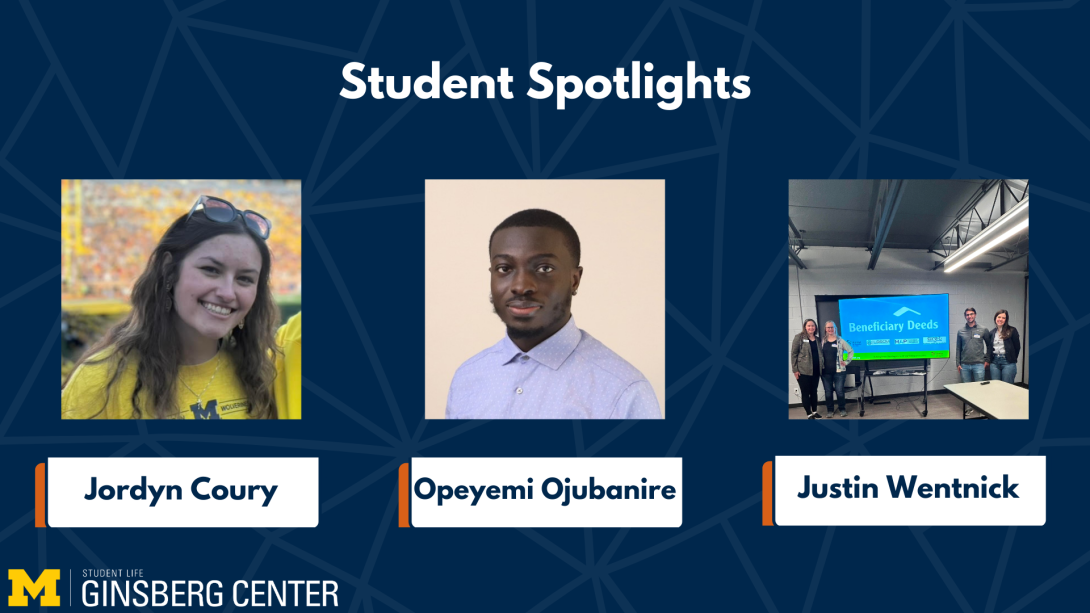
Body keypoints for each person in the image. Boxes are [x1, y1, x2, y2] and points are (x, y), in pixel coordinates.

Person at [62, 195, 297, 419]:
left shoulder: (262, 377)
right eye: (211, 270)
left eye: (245, 279)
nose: (227, 292)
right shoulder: (99, 381)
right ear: (169, 269)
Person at [445, 209, 661, 419]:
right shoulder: (468, 377)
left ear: (574, 280)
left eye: (544, 268)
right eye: (504, 268)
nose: (521, 286)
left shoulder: (623, 392)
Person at [819, 321, 854, 418]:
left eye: (832, 327)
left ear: (835, 328)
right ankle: (830, 410)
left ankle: (842, 409)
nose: (830, 329)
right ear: (825, 329)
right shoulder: (822, 341)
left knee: (839, 391)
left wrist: (846, 362)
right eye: (828, 327)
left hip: (839, 372)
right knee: (828, 392)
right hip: (825, 372)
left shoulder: (840, 341)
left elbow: (851, 351)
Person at [790, 319, 823, 419]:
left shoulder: (817, 339)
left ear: (815, 327)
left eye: (813, 326)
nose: (811, 327)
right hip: (803, 371)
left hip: (816, 371)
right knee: (805, 392)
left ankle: (814, 411)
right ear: (805, 327)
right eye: (809, 326)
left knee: (814, 392)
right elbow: (793, 354)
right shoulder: (799, 337)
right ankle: (809, 413)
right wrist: (795, 370)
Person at [956, 307, 991, 383]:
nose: (969, 316)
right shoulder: (960, 331)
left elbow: (989, 345)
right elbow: (958, 348)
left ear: (975, 315)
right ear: (965, 316)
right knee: (966, 388)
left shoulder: (983, 329)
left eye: (971, 314)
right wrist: (957, 363)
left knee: (979, 387)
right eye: (967, 315)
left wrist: (987, 360)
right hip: (964, 365)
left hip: (979, 364)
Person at [988, 309, 1020, 384]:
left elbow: (1017, 347)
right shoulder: (992, 332)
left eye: (1003, 318)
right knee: (995, 386)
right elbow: (989, 348)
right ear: (995, 318)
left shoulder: (1012, 330)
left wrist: (1012, 358)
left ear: (1006, 320)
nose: (1000, 319)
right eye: (999, 317)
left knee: (1007, 387)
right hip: (994, 362)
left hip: (1008, 362)